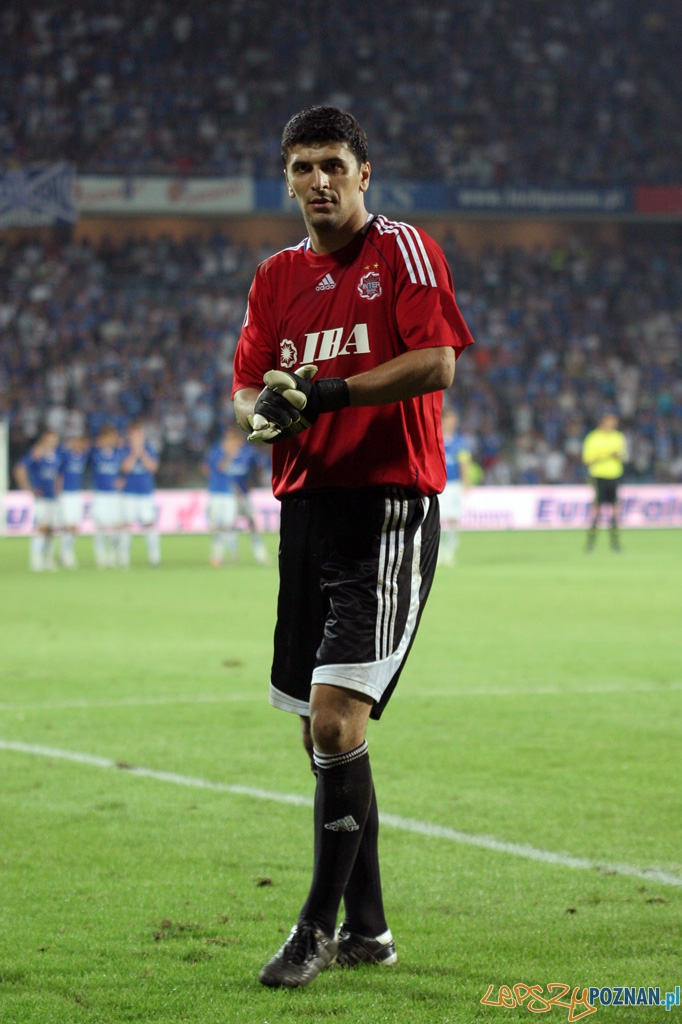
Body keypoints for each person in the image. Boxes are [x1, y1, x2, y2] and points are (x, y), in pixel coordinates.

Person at [232, 106, 474, 989]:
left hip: (387, 509)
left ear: (364, 173)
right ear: (287, 179)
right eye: (303, 167)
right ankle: (369, 929)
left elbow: (438, 360)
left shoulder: (403, 251)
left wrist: (324, 394)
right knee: (319, 737)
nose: (319, 181)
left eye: (334, 164)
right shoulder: (273, 278)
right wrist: (262, 413)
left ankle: (315, 928)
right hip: (309, 514)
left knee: (336, 720)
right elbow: (245, 389)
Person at [202, 426, 269, 566]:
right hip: (227, 495)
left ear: (238, 440)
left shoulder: (247, 453)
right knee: (226, 526)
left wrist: (252, 481)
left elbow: (259, 465)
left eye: (232, 438)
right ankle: (231, 556)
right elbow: (211, 467)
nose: (229, 441)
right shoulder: (219, 451)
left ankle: (260, 554)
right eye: (227, 438)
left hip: (242, 495)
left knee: (251, 523)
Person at [13, 429, 61, 571]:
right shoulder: (36, 453)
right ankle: (36, 560)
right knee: (41, 528)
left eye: (55, 439)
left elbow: (58, 474)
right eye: (50, 439)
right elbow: (19, 469)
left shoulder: (56, 456)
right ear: (43, 440)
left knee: (52, 530)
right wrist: (28, 488)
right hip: (40, 497)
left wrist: (58, 487)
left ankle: (48, 559)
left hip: (53, 497)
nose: (53, 442)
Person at [582, 412, 628, 551]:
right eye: (610, 422)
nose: (612, 425)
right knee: (597, 508)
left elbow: (624, 457)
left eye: (614, 423)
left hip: (615, 475)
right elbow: (587, 460)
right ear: (603, 422)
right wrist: (607, 455)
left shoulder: (618, 437)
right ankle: (591, 542)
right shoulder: (593, 438)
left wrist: (618, 456)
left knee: (615, 508)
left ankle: (615, 543)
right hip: (599, 476)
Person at [118, 422, 161, 567]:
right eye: (134, 436)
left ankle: (154, 558)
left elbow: (153, 468)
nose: (136, 439)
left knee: (149, 524)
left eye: (139, 436)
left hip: (145, 493)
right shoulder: (124, 450)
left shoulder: (149, 449)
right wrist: (134, 454)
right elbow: (125, 468)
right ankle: (124, 559)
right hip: (129, 494)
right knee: (126, 525)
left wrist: (141, 454)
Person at [439, 408, 472, 566]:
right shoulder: (435, 438)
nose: (452, 423)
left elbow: (464, 463)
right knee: (436, 520)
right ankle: (436, 553)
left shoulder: (460, 442)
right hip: (438, 485)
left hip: (453, 485)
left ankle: (449, 553)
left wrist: (467, 483)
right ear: (443, 420)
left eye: (454, 420)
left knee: (453, 519)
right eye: (449, 419)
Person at [90, 425, 126, 568]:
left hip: (114, 495)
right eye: (110, 437)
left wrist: (123, 479)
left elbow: (125, 470)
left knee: (117, 526)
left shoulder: (119, 453)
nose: (113, 440)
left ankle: (112, 554)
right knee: (100, 527)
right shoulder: (95, 453)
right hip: (100, 495)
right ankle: (100, 556)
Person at [57, 434, 90, 568]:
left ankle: (64, 552)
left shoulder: (83, 457)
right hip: (65, 494)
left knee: (75, 526)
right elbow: (58, 473)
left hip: (76, 494)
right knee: (68, 525)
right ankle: (66, 554)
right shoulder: (65, 455)